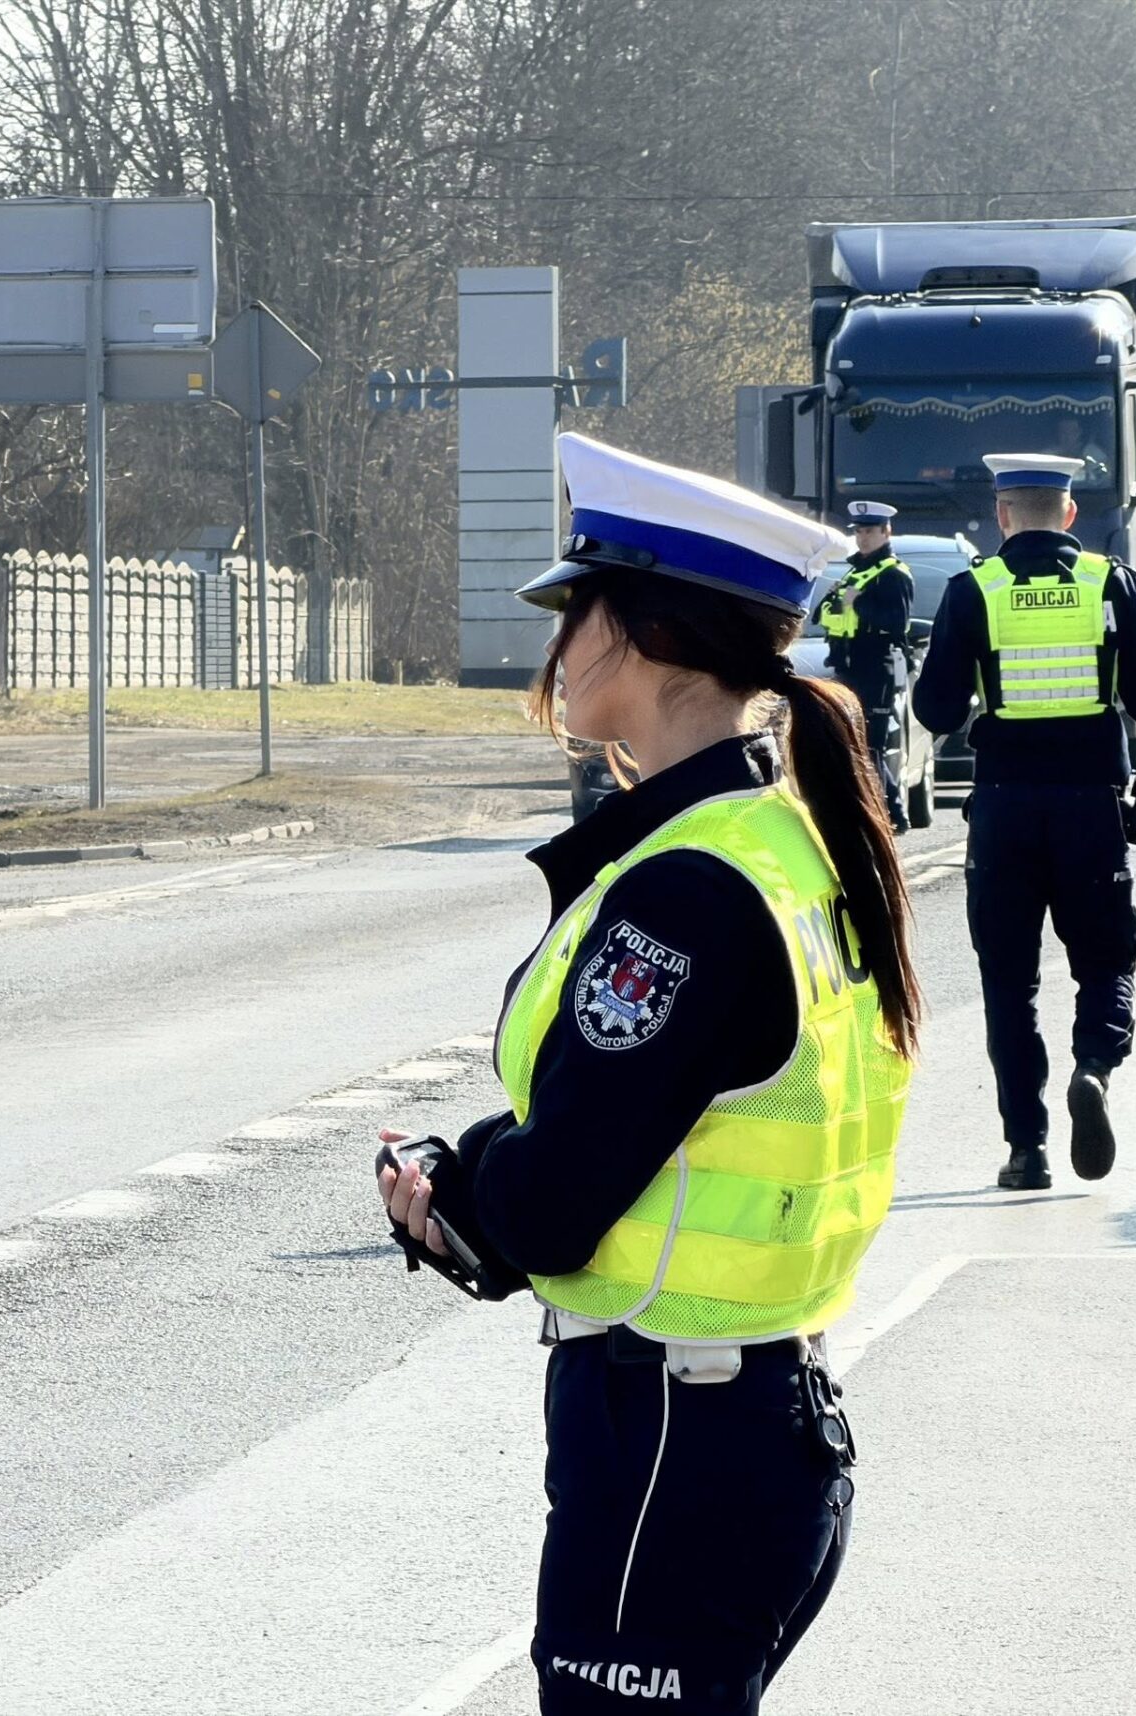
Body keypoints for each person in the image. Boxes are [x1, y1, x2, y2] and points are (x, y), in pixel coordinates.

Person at [373, 433, 921, 1714]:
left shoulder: (688, 887)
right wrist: (483, 1184)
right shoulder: (777, 836)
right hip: (745, 1424)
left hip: (677, 1438)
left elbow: (561, 1196)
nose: (557, 650)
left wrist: (457, 1200)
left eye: (576, 611)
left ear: (640, 633)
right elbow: (646, 1121)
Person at [911, 453, 1136, 1191]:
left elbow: (933, 712)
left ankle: (1026, 1150)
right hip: (1091, 808)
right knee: (1104, 960)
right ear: (1069, 515)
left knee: (1009, 984)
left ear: (1002, 517)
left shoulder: (975, 592)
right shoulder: (1113, 584)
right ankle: (1093, 1066)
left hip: (1003, 811)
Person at [812, 500, 916, 833]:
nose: (863, 538)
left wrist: (860, 602)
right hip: (848, 667)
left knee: (871, 745)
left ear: (886, 532)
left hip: (877, 670)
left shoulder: (894, 574)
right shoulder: (856, 571)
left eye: (869, 531)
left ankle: (892, 814)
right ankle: (874, 811)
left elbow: (898, 623)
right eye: (859, 531)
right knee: (853, 742)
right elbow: (824, 615)